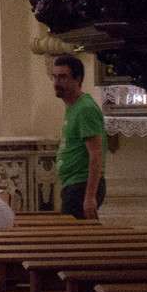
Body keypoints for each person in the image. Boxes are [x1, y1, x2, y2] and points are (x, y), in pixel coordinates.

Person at [52, 54, 107, 220]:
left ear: (78, 79)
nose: (56, 82)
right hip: (73, 184)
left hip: (81, 185)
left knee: (73, 233)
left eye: (63, 77)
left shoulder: (85, 109)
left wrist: (89, 197)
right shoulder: (73, 107)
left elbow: (96, 154)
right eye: (55, 77)